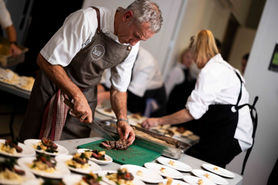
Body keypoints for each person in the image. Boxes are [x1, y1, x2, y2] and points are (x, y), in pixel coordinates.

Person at [19, 0, 163, 145]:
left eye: (140, 40)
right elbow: (46, 60)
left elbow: (119, 89)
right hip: (53, 88)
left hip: (86, 96)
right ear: (127, 16)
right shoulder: (87, 20)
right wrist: (76, 95)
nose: (134, 43)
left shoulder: (132, 46)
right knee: (33, 144)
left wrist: (122, 119)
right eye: (136, 35)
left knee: (73, 149)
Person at [142, 29, 254, 168]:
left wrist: (158, 121)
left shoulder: (211, 71)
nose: (194, 60)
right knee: (203, 166)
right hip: (235, 131)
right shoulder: (224, 67)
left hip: (231, 133)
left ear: (199, 52)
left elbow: (192, 113)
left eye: (193, 55)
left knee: (206, 168)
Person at [98, 46, 167, 117]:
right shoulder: (117, 53)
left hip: (149, 95)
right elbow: (107, 83)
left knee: (136, 119)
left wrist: (103, 96)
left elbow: (132, 94)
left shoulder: (147, 63)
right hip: (129, 92)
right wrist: (96, 92)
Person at [165, 46, 199, 114]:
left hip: (180, 110)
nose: (189, 60)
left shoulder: (189, 72)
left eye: (192, 58)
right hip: (172, 108)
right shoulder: (177, 70)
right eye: (187, 57)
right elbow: (166, 89)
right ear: (182, 57)